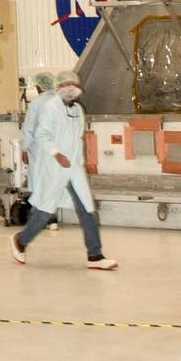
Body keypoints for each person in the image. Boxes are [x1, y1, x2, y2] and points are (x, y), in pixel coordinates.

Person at [10, 70, 117, 271]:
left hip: (73, 168)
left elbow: (77, 138)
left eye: (73, 84)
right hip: (54, 167)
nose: (70, 87)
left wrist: (80, 161)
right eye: (65, 84)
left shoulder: (78, 110)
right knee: (44, 211)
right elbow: (41, 134)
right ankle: (20, 241)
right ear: (58, 87)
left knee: (87, 209)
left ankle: (95, 255)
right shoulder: (50, 107)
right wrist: (57, 154)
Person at [21, 71, 58, 230]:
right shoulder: (59, 101)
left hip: (39, 148)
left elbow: (29, 128)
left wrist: (24, 148)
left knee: (39, 182)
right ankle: (53, 218)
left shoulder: (37, 103)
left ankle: (43, 218)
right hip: (56, 148)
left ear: (37, 86)